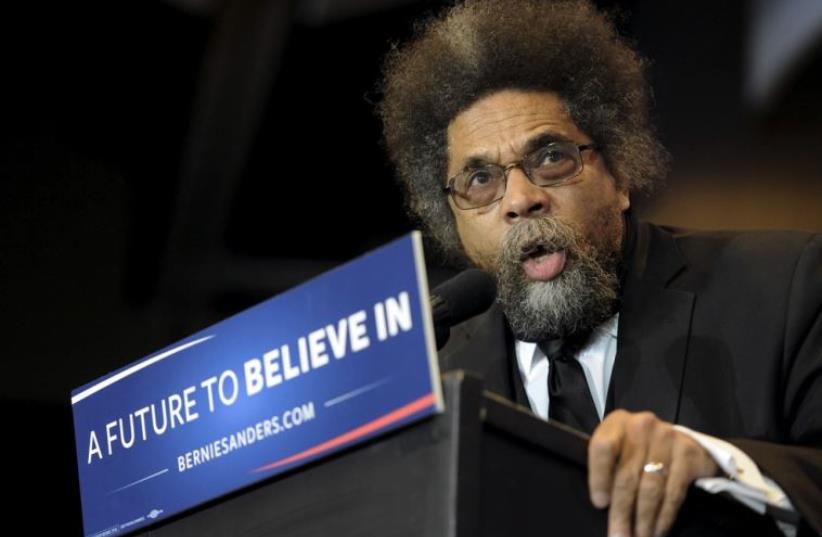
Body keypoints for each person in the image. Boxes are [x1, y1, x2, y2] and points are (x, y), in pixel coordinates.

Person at [376, 1, 822, 536]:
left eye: (550, 157)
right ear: (452, 218)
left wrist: (718, 464)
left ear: (620, 175)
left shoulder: (786, 287)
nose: (520, 199)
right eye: (479, 181)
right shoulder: (437, 377)